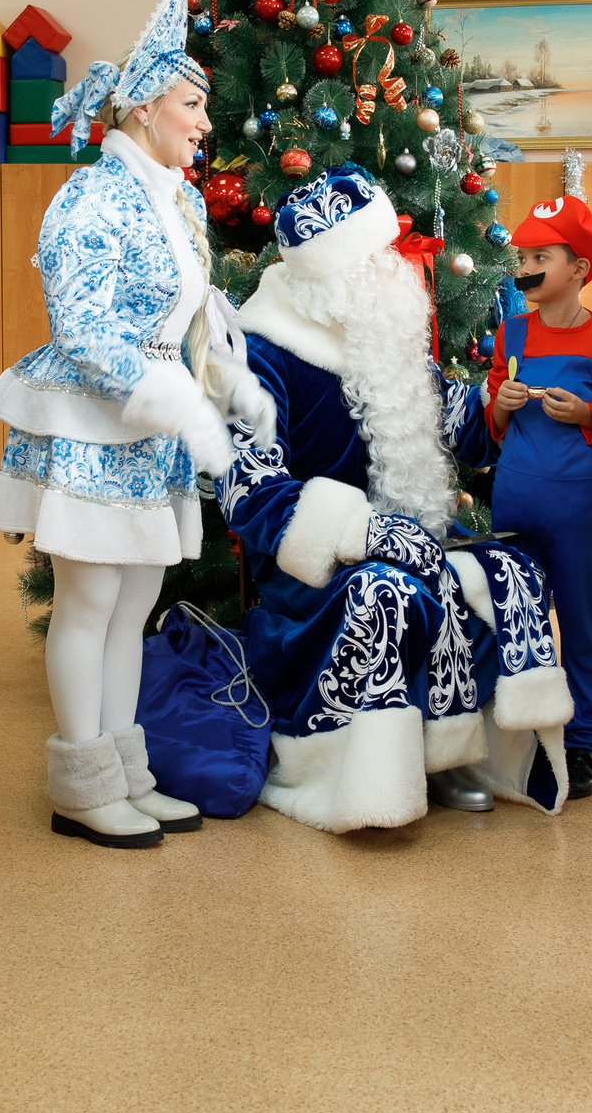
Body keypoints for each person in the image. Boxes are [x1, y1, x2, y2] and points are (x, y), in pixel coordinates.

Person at [0, 0, 273, 849]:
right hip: (96, 422)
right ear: (144, 107)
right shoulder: (90, 197)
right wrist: (169, 400)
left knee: (136, 603)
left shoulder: (181, 197)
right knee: (89, 599)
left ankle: (123, 771)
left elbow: (190, 316)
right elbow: (79, 325)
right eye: (193, 103)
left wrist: (223, 382)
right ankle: (80, 781)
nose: (205, 120)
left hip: (159, 423)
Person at [217, 165, 573, 832]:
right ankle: (382, 772)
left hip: (413, 537)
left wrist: (514, 410)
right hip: (313, 565)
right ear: (339, 272)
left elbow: (460, 422)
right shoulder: (261, 351)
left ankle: (460, 748)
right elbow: (249, 491)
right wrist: (363, 532)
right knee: (387, 589)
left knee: (508, 568)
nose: (397, 266)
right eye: (381, 255)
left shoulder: (382, 332)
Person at [484, 186, 592, 800]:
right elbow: (495, 421)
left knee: (579, 622)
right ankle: (517, 733)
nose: (525, 270)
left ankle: (584, 743)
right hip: (514, 499)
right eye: (522, 259)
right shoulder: (512, 334)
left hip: (575, 505)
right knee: (515, 619)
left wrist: (586, 416)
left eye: (539, 258)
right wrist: (498, 403)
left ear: (577, 268)